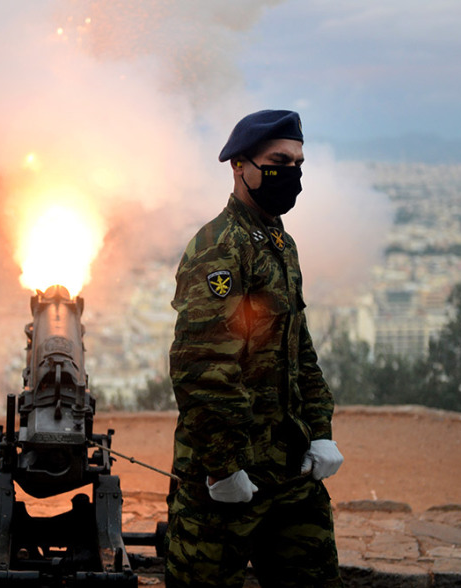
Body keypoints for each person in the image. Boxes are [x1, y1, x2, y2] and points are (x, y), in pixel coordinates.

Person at [165, 110, 344, 588]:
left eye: (299, 162)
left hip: (288, 469)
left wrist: (320, 430)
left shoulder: (280, 242)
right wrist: (224, 468)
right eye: (279, 160)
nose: (293, 173)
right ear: (239, 166)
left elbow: (299, 349)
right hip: (224, 481)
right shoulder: (218, 248)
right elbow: (202, 367)